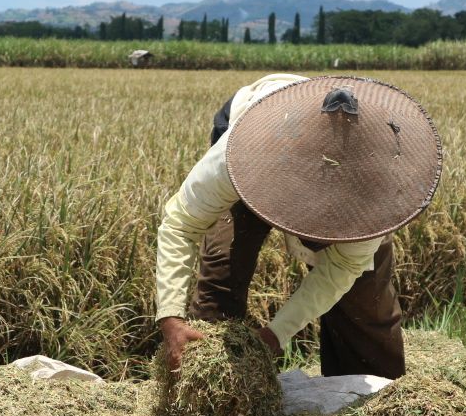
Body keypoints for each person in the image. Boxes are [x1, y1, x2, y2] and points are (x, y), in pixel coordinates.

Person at [155, 73, 442, 378]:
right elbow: (181, 223)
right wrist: (170, 317)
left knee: (365, 295)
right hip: (263, 147)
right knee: (222, 274)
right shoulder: (240, 155)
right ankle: (204, 392)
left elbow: (343, 268)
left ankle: (373, 402)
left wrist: (277, 333)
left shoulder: (378, 189)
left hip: (345, 170)